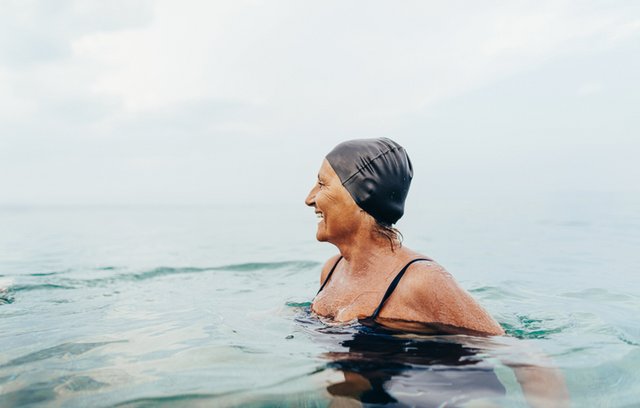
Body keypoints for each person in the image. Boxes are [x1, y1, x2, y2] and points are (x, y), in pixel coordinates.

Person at [305, 137, 504, 336]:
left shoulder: (421, 281)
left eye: (322, 184)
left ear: (363, 194)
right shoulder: (332, 270)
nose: (309, 199)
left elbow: (508, 349)